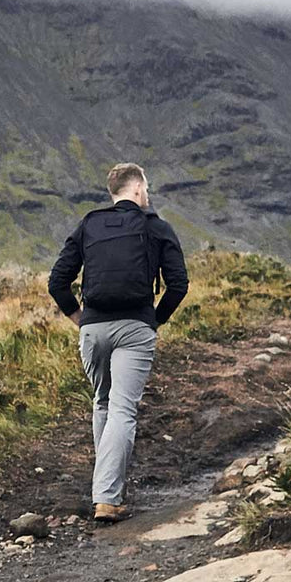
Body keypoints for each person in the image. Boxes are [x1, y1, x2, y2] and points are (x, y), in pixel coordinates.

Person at [47, 163, 189, 522]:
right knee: (123, 410)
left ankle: (107, 488)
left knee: (104, 404)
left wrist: (80, 319)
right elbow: (178, 284)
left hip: (93, 329)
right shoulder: (155, 226)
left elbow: (57, 281)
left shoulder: (89, 224)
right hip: (134, 329)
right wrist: (154, 321)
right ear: (139, 190)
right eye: (147, 189)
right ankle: (107, 498)